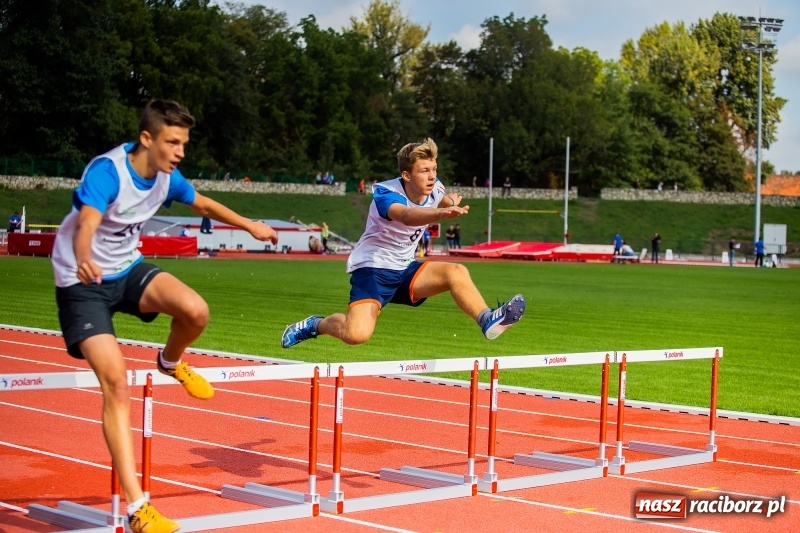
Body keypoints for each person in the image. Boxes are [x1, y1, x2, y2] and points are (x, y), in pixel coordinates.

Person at [50, 99, 279, 533]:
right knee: (116, 383)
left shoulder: (167, 178)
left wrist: (250, 225)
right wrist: (83, 259)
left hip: (126, 268)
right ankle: (139, 510)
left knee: (195, 310)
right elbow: (86, 225)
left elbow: (205, 205)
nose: (180, 152)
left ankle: (170, 362)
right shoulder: (108, 172)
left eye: (184, 144)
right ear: (147, 139)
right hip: (82, 281)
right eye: (172, 142)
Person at [281, 137, 525, 350]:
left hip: (405, 269)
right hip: (373, 270)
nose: (431, 176)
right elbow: (407, 216)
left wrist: (451, 200)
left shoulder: (435, 187)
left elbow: (442, 196)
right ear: (406, 175)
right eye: (424, 171)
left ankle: (487, 320)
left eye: (434, 169)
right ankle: (315, 324)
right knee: (356, 335)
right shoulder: (386, 194)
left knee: (456, 272)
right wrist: (442, 213)